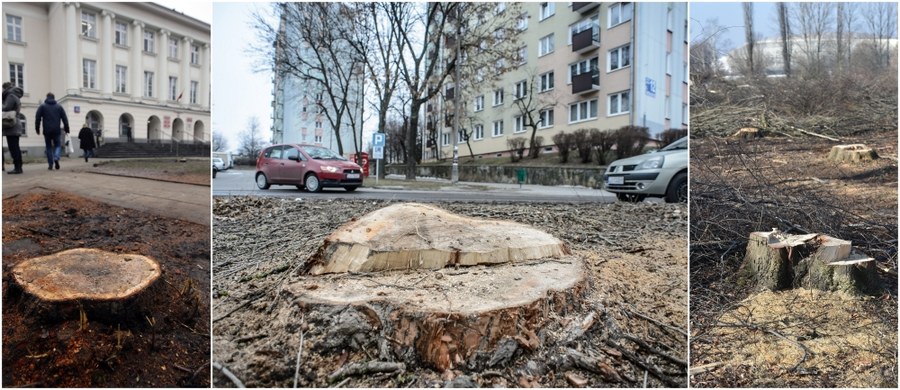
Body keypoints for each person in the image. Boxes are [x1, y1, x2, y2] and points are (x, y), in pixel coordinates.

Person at [34, 92, 69, 170]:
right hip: (56, 130)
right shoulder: (59, 107)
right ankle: (56, 158)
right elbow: (65, 119)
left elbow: (37, 118)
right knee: (58, 145)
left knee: (48, 147)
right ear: (54, 98)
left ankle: (50, 164)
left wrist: (37, 128)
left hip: (47, 130)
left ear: (47, 97)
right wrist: (67, 129)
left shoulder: (42, 106)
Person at [2, 82, 25, 174]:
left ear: (5, 88)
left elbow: (7, 107)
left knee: (13, 147)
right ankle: (19, 166)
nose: (2, 91)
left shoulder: (10, 95)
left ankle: (17, 168)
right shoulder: (15, 95)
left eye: (3, 89)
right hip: (15, 124)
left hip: (12, 125)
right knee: (15, 147)